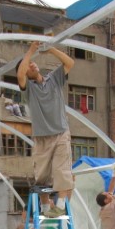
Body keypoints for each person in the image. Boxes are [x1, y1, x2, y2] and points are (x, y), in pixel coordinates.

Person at [16, 41, 75, 218]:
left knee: (62, 170)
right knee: (41, 175)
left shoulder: (53, 79)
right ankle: (45, 207)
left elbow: (70, 63)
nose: (31, 64)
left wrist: (51, 50)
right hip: (42, 137)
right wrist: (31, 50)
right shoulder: (28, 89)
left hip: (60, 132)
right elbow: (20, 76)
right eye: (28, 65)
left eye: (32, 62)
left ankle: (61, 205)